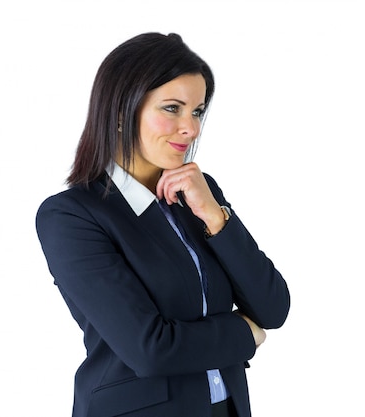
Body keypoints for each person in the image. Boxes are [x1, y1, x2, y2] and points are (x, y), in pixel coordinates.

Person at [35, 32, 290, 417]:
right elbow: (151, 349)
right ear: (122, 111)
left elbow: (273, 308)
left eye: (198, 111)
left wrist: (215, 217)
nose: (191, 129)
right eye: (172, 108)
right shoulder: (72, 217)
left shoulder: (199, 195)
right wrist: (245, 335)